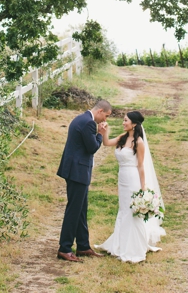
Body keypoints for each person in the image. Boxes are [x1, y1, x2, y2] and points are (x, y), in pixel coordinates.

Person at [95, 111, 166, 263]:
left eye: (125, 120)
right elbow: (106, 143)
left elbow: (141, 166)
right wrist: (104, 131)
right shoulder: (123, 138)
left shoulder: (138, 143)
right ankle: (120, 244)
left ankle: (134, 247)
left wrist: (143, 188)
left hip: (133, 179)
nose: (123, 122)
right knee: (123, 210)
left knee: (131, 212)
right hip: (122, 179)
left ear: (134, 124)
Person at [56, 99, 112, 262]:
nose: (105, 120)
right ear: (100, 111)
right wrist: (100, 134)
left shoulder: (80, 118)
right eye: (106, 116)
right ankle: (64, 248)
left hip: (74, 170)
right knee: (74, 210)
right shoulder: (88, 123)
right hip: (78, 171)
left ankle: (83, 246)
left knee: (81, 210)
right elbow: (92, 147)